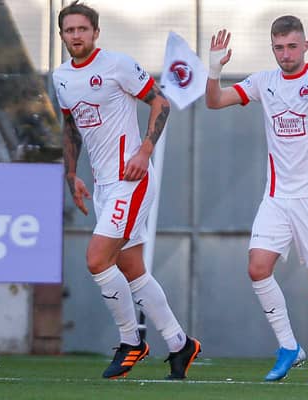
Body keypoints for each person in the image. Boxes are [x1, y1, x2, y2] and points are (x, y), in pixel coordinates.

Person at [205, 16, 308, 384]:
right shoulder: (264, 81)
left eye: (292, 47)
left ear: (304, 46)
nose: (285, 54)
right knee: (257, 268)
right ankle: (289, 346)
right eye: (279, 47)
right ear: (272, 48)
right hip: (276, 196)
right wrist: (213, 68)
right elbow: (214, 101)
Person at [53, 1, 201, 380]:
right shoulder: (62, 77)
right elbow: (71, 128)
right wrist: (72, 175)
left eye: (82, 29)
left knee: (97, 260)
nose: (76, 36)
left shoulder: (117, 64)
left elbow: (160, 103)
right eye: (69, 31)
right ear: (62, 36)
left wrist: (145, 149)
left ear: (95, 32)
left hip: (131, 179)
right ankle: (180, 343)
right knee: (131, 268)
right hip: (103, 185)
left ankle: (131, 341)